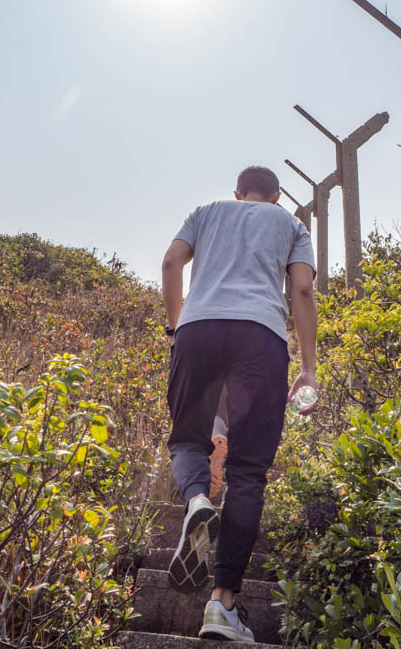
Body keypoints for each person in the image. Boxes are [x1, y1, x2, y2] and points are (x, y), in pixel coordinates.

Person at [161, 165, 317, 642]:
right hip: (260, 337)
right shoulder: (291, 225)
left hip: (198, 329)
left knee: (188, 438)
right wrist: (309, 368)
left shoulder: (207, 212)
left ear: (238, 193)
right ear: (276, 197)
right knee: (248, 472)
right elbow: (303, 290)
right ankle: (221, 605)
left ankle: (196, 500)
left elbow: (171, 263)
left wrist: (175, 327)